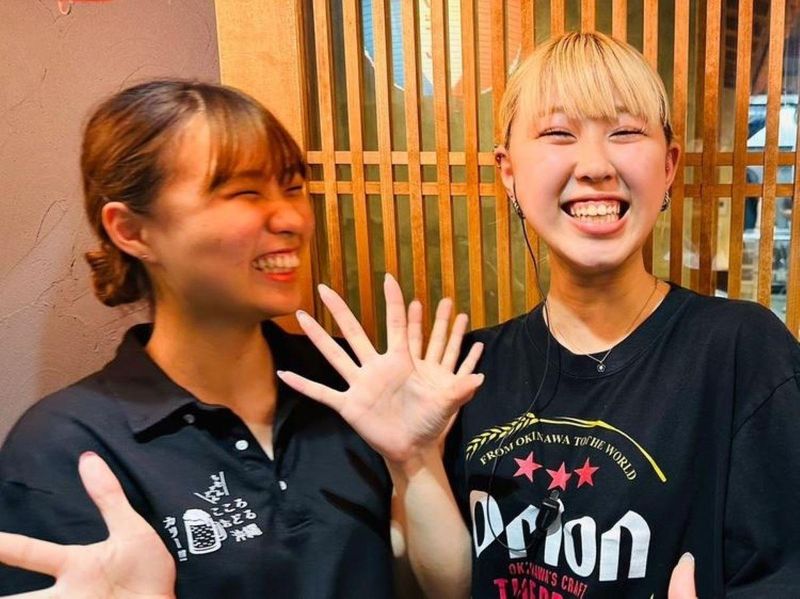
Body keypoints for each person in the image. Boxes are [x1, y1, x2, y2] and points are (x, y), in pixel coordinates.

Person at [276, 32, 800, 598]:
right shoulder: (467, 373)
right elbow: (456, 588)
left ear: (669, 165)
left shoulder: (741, 351)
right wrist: (413, 461)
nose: (595, 165)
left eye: (625, 132)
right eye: (558, 134)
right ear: (508, 171)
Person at [0, 79, 479, 598]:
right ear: (131, 231)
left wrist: (414, 463)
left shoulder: (352, 390)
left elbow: (429, 592)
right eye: (246, 193)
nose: (293, 219)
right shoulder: (65, 447)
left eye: (293, 188)